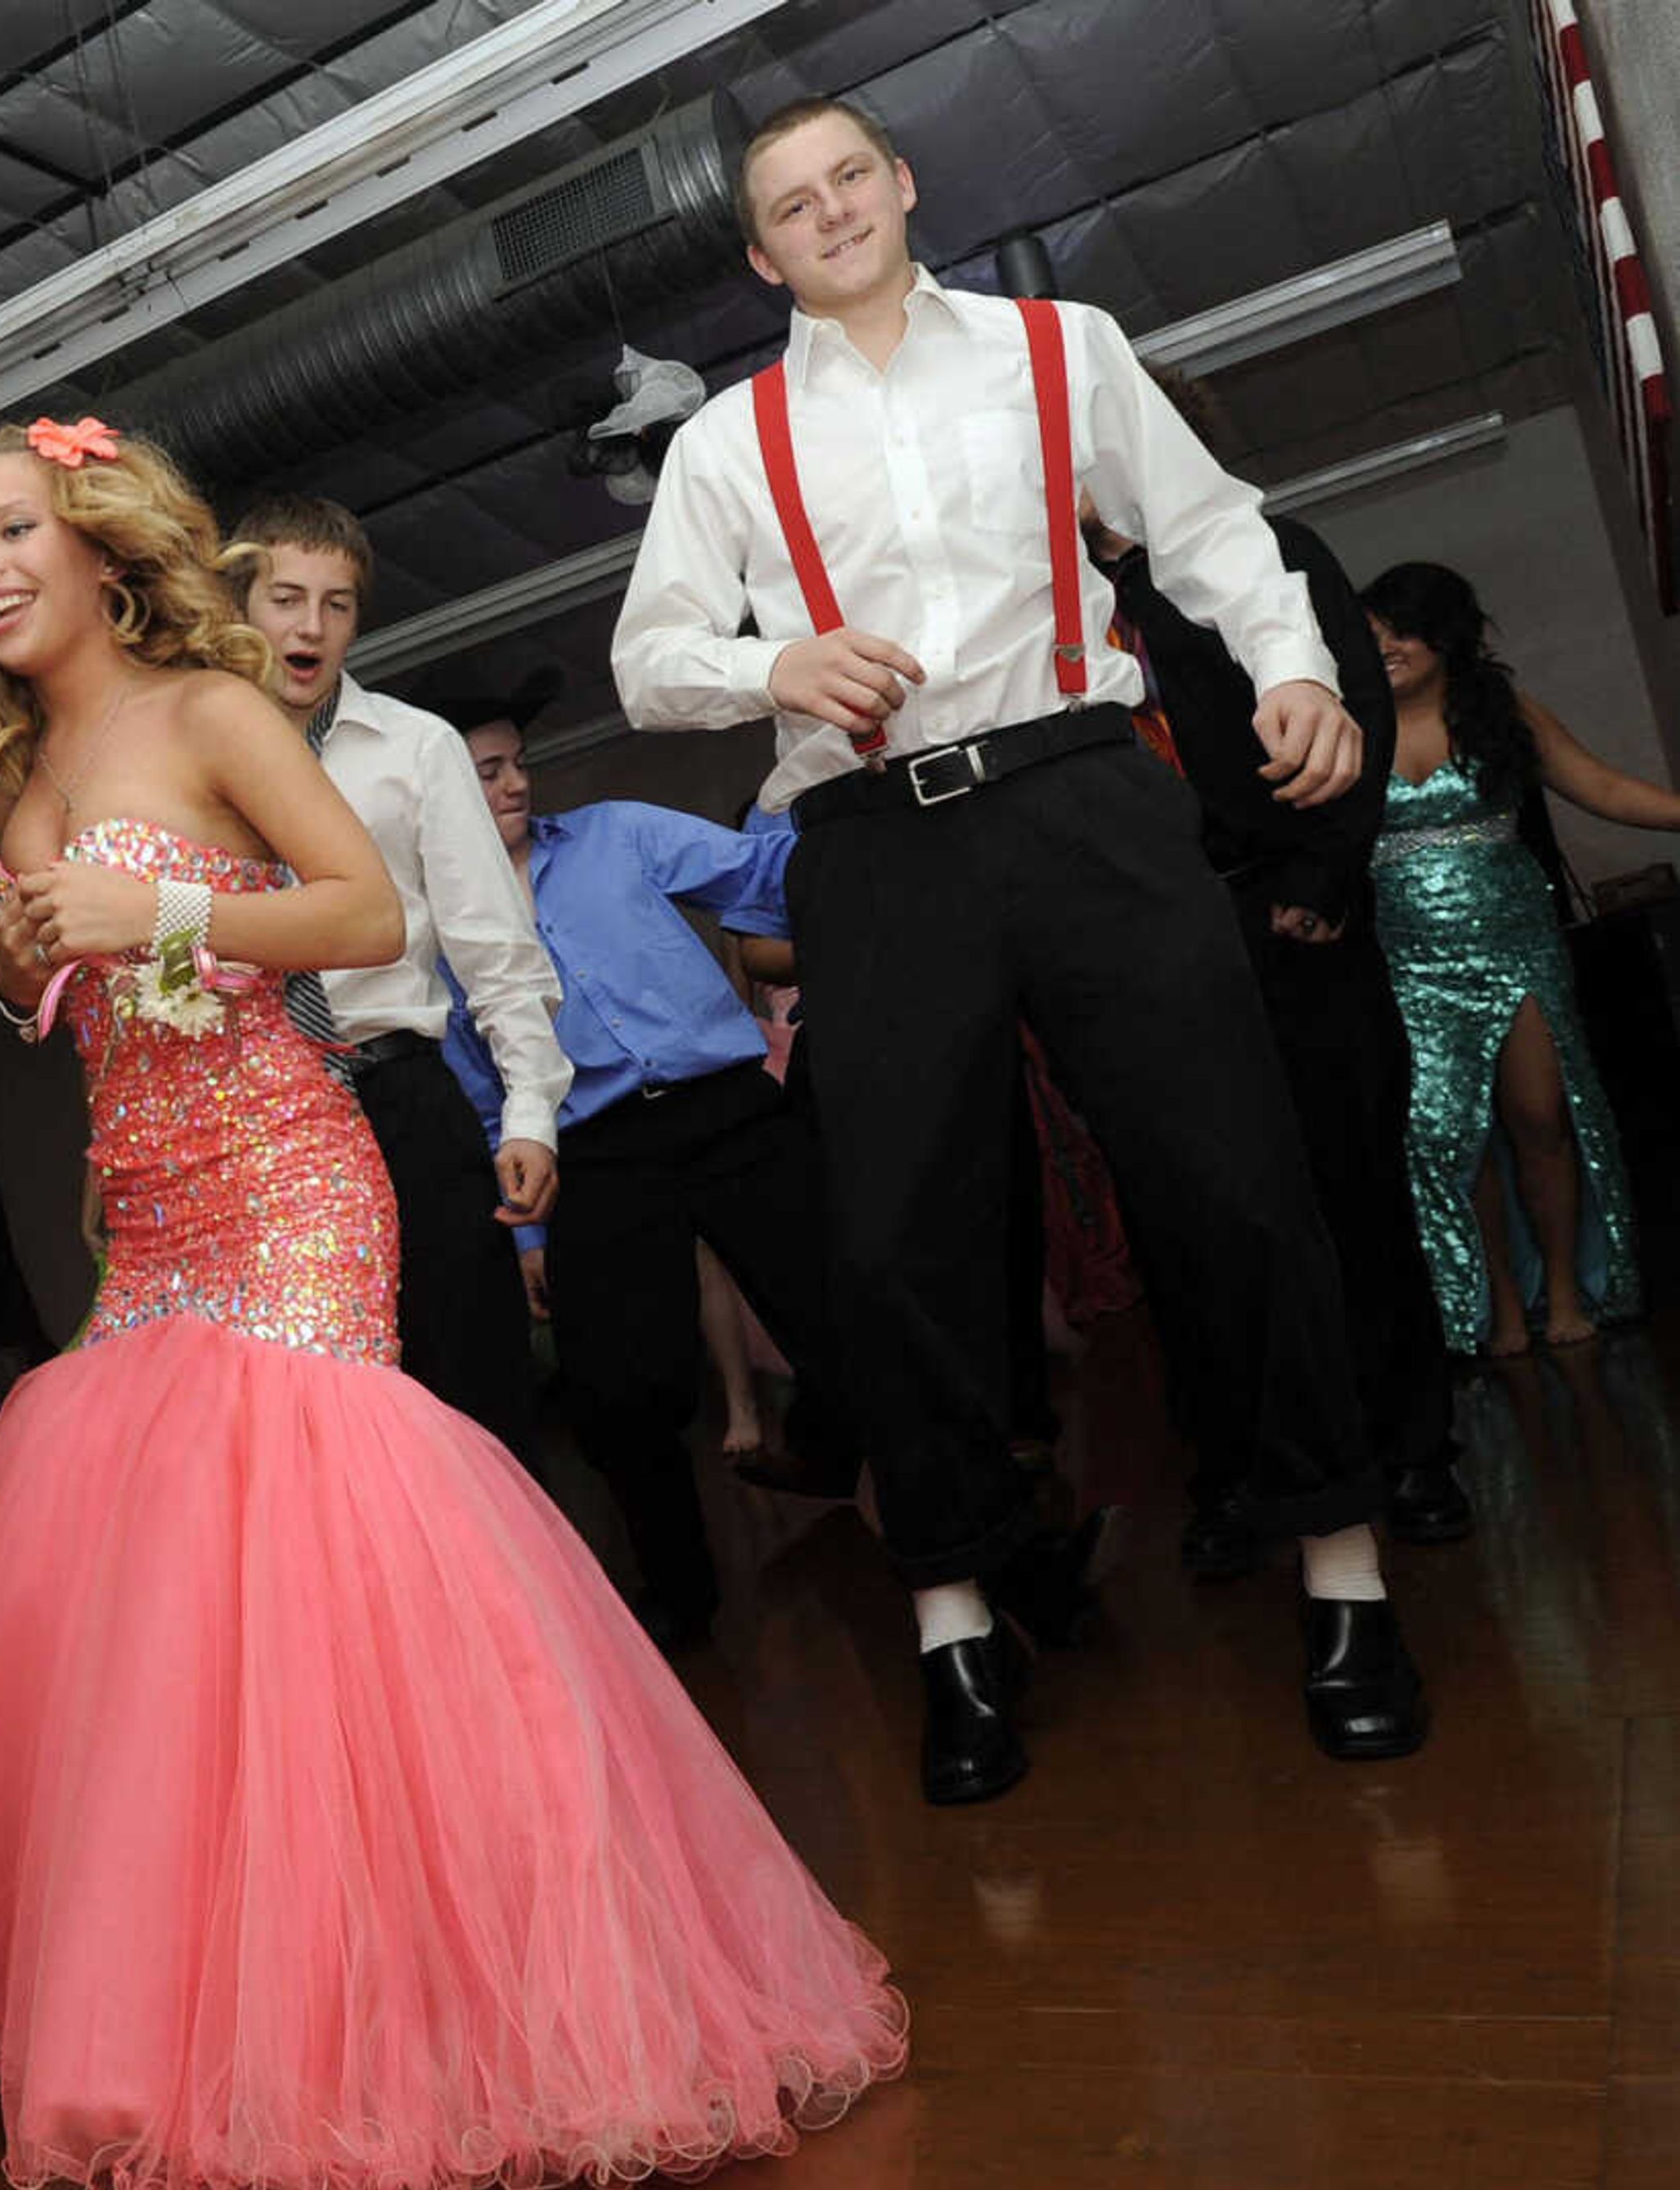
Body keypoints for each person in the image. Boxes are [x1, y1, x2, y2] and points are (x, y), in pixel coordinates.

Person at [0, 410, 904, 2190]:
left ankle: (440, 2007)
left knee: (323, 1545)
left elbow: (360, 916)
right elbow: (75, 997)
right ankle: (206, 2021)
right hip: (149, 1197)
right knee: (163, 1598)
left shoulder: (213, 712)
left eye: (11, 526)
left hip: (289, 1172)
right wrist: (30, 958)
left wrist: (157, 903)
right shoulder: (10, 782)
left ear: (101, 541)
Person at [612, 94, 1425, 1801]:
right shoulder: (727, 447)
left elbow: (1212, 532)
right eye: (792, 203)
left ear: (904, 188)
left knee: (1231, 1174)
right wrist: (774, 670)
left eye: (853, 176)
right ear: (763, 257)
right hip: (874, 846)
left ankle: (1341, 1576)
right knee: (903, 1238)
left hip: (1080, 797)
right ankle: (957, 1626)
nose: (831, 210)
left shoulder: (1062, 350)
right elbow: (652, 657)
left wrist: (1290, 663)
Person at [1086, 463, 1471, 1563]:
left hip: (1285, 914)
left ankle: (1413, 1450)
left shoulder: (1264, 550)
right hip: (1137, 952)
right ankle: (1242, 1473)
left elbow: (1351, 698)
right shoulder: (1036, 596)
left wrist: (1324, 879)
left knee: (1351, 1193)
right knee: (1188, 1224)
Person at [439, 701, 859, 1654]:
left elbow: (758, 874)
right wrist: (531, 1233)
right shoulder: (442, 929)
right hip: (592, 1155)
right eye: (484, 772)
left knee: (851, 1306)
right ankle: (681, 1599)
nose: (512, 784)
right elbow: (480, 1089)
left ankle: (898, 1484)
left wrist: (802, 782)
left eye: (514, 764)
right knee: (618, 1397)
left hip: (725, 1107)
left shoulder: (619, 833)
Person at [228, 497, 569, 1465]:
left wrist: (530, 1113)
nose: (310, 627)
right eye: (286, 598)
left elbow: (493, 948)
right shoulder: (194, 758)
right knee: (327, 1411)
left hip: (404, 1100)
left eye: (337, 605)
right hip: (262, 1119)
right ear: (239, 606)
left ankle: (514, 1607)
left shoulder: (415, 746)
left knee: (478, 1394)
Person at [1358, 560, 1676, 1355]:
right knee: (1456, 1135)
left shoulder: (1502, 714)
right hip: (1409, 961)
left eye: (1400, 629)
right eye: (1372, 634)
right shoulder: (1351, 728)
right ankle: (1501, 1304)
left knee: (1538, 1117)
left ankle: (1567, 1291)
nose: (1385, 645)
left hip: (1515, 940)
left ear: (1444, 633)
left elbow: (1601, 786)